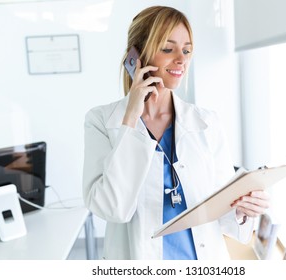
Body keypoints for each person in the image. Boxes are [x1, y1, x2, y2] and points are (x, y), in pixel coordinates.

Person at [82, 5, 269, 260]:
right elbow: (114, 209)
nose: (181, 59)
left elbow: (222, 212)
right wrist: (131, 118)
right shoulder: (102, 121)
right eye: (168, 49)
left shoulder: (207, 123)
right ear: (136, 57)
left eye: (187, 50)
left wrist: (242, 209)